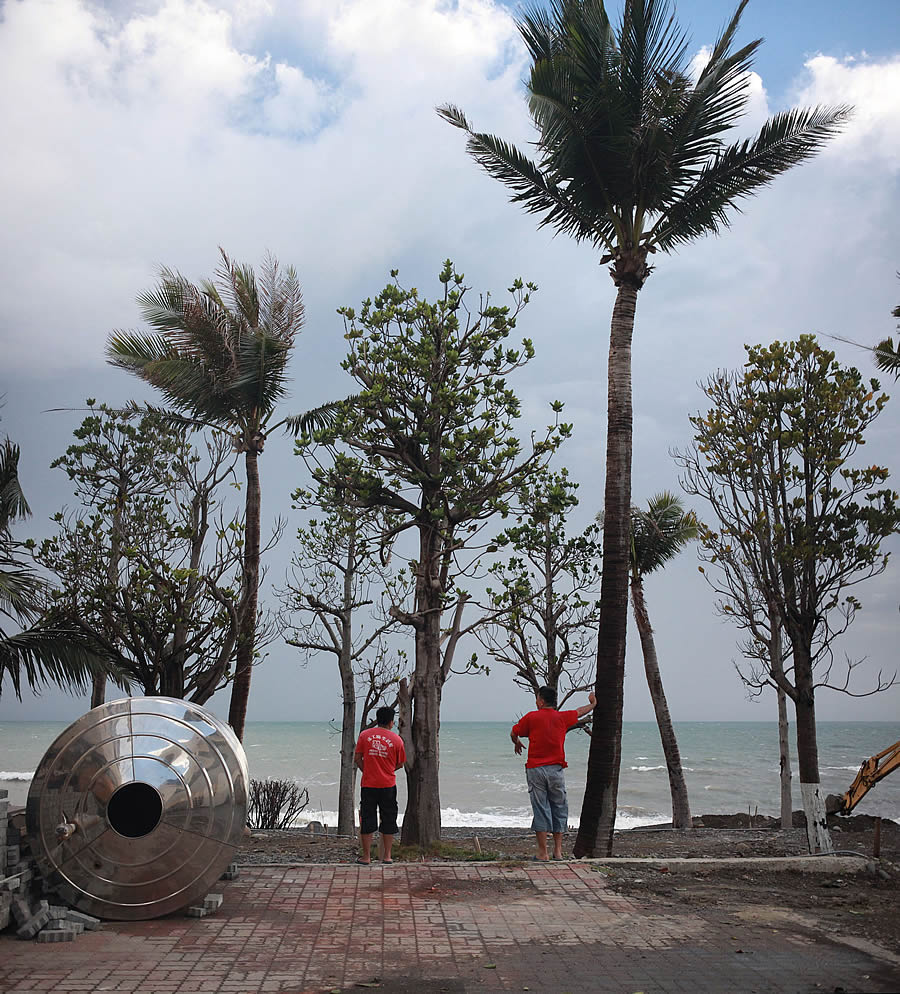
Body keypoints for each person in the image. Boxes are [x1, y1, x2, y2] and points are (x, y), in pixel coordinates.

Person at [510, 686, 596, 861]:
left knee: (541, 808)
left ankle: (543, 853)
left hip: (535, 769)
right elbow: (579, 711)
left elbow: (513, 732)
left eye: (537, 699)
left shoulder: (531, 717)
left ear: (541, 701)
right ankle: (557, 851)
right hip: (556, 769)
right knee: (559, 807)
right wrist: (593, 703)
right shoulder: (562, 717)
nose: (536, 702)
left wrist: (517, 742)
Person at [354, 705, 406, 864]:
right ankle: (387, 856)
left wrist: (367, 771)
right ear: (391, 722)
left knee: (367, 819)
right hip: (388, 784)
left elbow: (357, 758)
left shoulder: (364, 735)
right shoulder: (397, 740)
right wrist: (388, 769)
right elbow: (401, 764)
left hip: (368, 784)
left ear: (377, 719)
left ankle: (366, 857)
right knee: (389, 818)